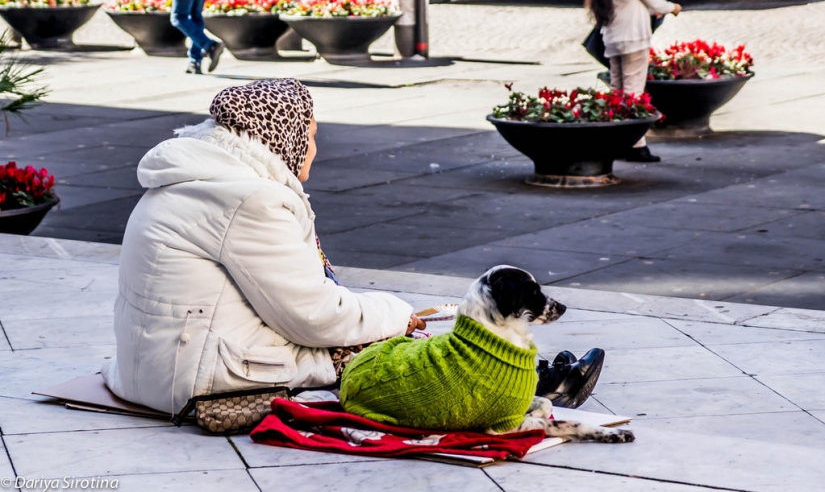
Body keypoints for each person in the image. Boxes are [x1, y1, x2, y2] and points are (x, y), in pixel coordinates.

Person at [101, 79, 603, 416]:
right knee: (393, 353)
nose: (316, 150)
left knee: (373, 331)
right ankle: (533, 383)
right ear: (281, 136)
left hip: (159, 367)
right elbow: (311, 315)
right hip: (199, 376)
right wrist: (394, 313)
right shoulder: (248, 198)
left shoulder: (202, 178)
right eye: (312, 136)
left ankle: (537, 376)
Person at [589, 0, 682, 163]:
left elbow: (632, 3)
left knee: (617, 91)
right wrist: (673, 8)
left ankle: (616, 140)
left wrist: (653, 10)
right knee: (633, 92)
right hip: (633, 40)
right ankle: (635, 144)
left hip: (612, 40)